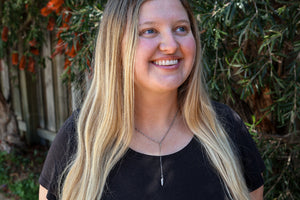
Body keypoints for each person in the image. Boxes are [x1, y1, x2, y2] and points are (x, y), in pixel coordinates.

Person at [39, 0, 265, 199]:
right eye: (149, 31)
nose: (171, 45)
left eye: (181, 28)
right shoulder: (80, 138)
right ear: (117, 45)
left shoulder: (226, 130)